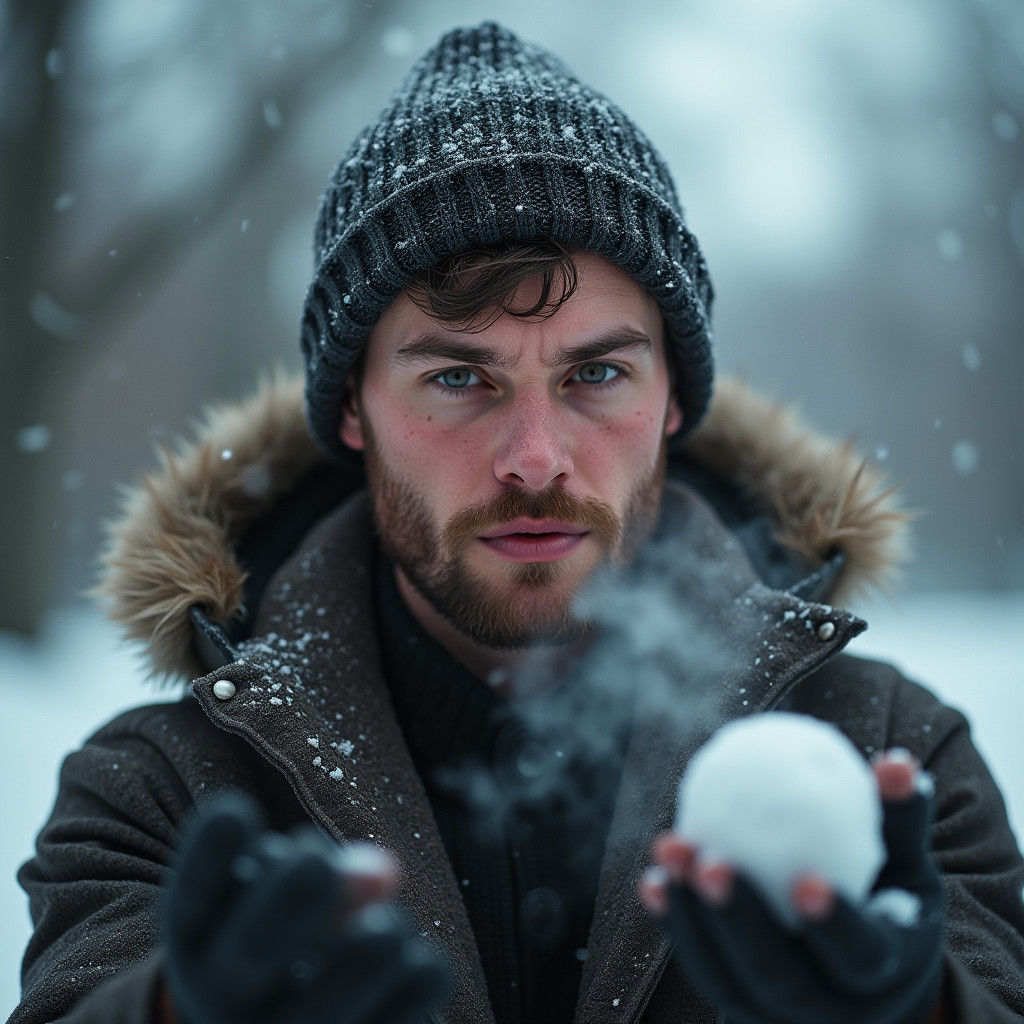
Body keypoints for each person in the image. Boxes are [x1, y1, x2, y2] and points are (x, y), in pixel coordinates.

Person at [10, 19, 1024, 1024]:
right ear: (353, 410)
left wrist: (924, 1009)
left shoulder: (888, 760)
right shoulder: (166, 796)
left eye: (595, 374)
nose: (535, 456)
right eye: (459, 376)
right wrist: (177, 1012)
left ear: (674, 399)